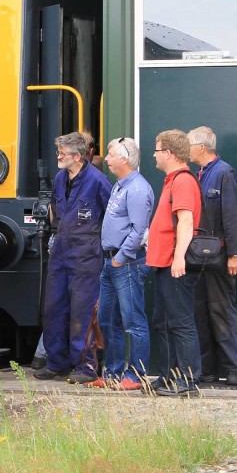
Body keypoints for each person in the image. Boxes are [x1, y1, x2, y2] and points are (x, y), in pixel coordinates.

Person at [34, 131, 111, 383]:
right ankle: (57, 362)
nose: (58, 156)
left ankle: (86, 367)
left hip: (86, 254)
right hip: (61, 251)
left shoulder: (98, 181)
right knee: (54, 309)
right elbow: (56, 211)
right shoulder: (59, 178)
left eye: (63, 153)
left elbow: (109, 216)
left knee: (82, 311)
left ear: (77, 156)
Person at [87, 137, 154, 391]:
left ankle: (136, 376)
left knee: (133, 320)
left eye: (111, 154)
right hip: (112, 262)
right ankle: (113, 373)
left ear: (125, 159)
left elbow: (139, 230)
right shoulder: (120, 185)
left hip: (125, 263)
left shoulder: (137, 189)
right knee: (107, 319)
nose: (106, 158)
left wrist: (120, 258)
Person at [188, 126, 237, 386]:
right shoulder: (197, 174)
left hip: (220, 257)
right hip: (195, 257)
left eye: (189, 144)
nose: (186, 149)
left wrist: (234, 254)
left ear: (202, 147)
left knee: (221, 310)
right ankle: (207, 370)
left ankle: (234, 369)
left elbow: (233, 217)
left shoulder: (224, 173)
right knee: (200, 312)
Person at [148, 130, 203, 397]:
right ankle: (169, 376)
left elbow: (186, 221)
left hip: (174, 264)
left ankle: (188, 381)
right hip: (164, 263)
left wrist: (179, 257)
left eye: (157, 151)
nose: (154, 156)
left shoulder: (182, 181)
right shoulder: (171, 180)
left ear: (168, 153)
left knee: (180, 322)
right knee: (163, 322)